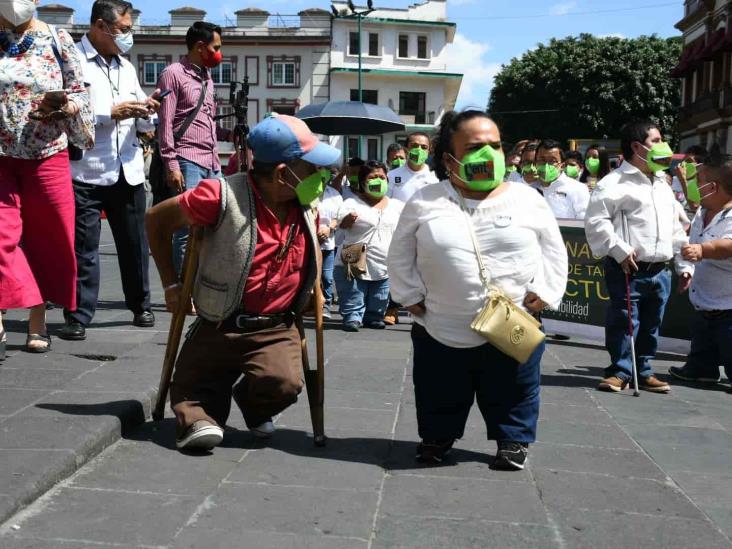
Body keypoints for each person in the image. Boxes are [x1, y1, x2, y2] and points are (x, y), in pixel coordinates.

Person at [145, 113, 340, 451]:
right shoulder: (218, 194)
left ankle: (252, 402)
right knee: (197, 403)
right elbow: (155, 220)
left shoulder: (306, 203)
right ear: (283, 174)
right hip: (219, 320)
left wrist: (308, 292)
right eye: (312, 168)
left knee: (283, 383)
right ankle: (199, 415)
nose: (322, 176)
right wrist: (172, 285)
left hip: (275, 325)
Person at [388, 110, 568, 470]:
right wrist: (409, 296)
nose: (488, 155)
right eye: (474, 147)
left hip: (511, 318)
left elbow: (554, 250)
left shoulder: (527, 199)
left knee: (515, 387)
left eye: (495, 146)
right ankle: (437, 437)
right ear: (448, 158)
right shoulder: (425, 201)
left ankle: (513, 440)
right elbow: (401, 252)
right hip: (441, 322)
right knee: (439, 387)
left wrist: (547, 291)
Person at [60, 0, 161, 341]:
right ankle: (78, 315)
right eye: (124, 29)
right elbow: (67, 110)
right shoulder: (71, 60)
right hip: (85, 169)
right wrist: (109, 113)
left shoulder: (126, 67)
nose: (128, 35)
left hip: (127, 167)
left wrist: (147, 110)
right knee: (84, 247)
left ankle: (140, 305)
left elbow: (144, 116)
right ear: (101, 26)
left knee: (134, 244)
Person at [0, 0, 94, 356]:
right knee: (1, 238)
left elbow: (80, 92)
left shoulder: (57, 38)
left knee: (51, 239)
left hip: (46, 153)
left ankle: (37, 321)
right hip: (1, 156)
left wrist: (67, 105)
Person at [585, 119, 693, 394]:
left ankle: (643, 370)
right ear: (637, 146)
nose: (662, 146)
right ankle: (620, 371)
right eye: (655, 140)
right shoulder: (613, 183)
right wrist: (619, 250)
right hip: (628, 267)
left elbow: (674, 227)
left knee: (652, 323)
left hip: (661, 269)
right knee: (624, 321)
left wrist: (684, 265)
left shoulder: (661, 184)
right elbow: (597, 222)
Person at [156, 21, 232, 276]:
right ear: (201, 47)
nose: (219, 53)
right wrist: (171, 164)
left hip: (212, 163)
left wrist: (231, 134)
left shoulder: (207, 78)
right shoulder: (173, 73)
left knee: (216, 226)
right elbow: (165, 123)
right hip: (186, 160)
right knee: (186, 229)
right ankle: (183, 290)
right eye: (216, 47)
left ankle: (202, 285)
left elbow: (206, 121)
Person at [669, 159, 732, 389]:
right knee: (702, 340)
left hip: (729, 306)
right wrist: (686, 270)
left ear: (713, 187)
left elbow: (727, 246)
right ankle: (701, 368)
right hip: (704, 301)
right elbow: (691, 244)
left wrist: (703, 250)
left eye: (699, 181)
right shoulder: (701, 213)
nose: (693, 185)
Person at [334, 161, 403, 332]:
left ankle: (374, 316)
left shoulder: (397, 206)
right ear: (363, 182)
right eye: (373, 177)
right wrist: (347, 220)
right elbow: (340, 224)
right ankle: (353, 317)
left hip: (385, 258)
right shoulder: (351, 202)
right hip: (354, 256)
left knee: (380, 293)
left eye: (382, 177)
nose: (378, 181)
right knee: (353, 291)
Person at [535, 139, 590, 220]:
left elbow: (583, 224)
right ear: (535, 163)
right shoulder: (528, 188)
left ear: (562, 165)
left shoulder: (578, 189)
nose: (546, 165)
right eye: (542, 160)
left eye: (552, 161)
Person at [386, 132, 438, 203]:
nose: (419, 150)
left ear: (429, 151)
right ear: (406, 149)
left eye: (424, 147)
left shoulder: (435, 178)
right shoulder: (392, 176)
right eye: (414, 146)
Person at [318, 176, 343, 319]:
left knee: (327, 277)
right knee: (311, 277)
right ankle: (312, 304)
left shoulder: (334, 194)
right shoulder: (305, 190)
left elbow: (339, 216)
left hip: (328, 242)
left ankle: (326, 305)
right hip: (311, 240)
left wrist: (329, 228)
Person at [672, 145, 707, 212]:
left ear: (700, 165)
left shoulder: (704, 185)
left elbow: (695, 206)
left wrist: (683, 180)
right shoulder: (674, 180)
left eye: (688, 161)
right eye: (683, 160)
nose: (683, 164)